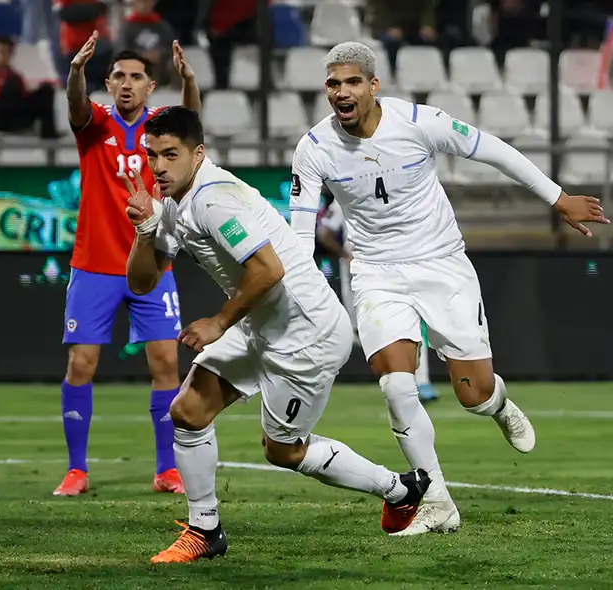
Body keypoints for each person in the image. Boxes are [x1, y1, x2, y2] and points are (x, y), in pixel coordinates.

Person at [289, 41, 608, 536]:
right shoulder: (313, 148)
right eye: (333, 83)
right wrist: (294, 284)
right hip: (376, 273)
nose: (342, 92)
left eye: (353, 81)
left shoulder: (420, 122)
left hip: (442, 266)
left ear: (374, 86)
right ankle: (437, 500)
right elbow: (301, 227)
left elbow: (494, 150)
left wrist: (558, 197)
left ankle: (497, 404)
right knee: (396, 385)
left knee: (473, 394)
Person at [124, 106, 430, 564]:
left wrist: (217, 322)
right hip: (261, 324)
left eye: (170, 154)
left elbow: (269, 269)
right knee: (187, 411)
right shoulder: (171, 201)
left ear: (198, 153)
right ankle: (204, 531)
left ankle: (399, 489)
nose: (160, 166)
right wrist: (145, 231)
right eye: (152, 156)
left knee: (283, 451)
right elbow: (141, 282)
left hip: (305, 334)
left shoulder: (214, 199)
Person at [54, 34, 201, 497]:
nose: (127, 84)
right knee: (82, 362)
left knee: (165, 363)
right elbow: (77, 105)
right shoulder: (95, 125)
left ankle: (166, 469)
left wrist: (190, 82)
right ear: (108, 82)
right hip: (95, 263)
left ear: (150, 86)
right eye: (119, 76)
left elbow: (192, 125)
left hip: (154, 262)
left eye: (136, 77)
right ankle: (76, 469)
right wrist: (75, 73)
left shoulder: (160, 130)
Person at [316, 199, 438, 403]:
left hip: (391, 267)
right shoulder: (342, 198)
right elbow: (324, 232)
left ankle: (420, 382)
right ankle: (316, 378)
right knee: (353, 332)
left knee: (409, 323)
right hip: (360, 273)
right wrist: (344, 255)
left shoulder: (393, 192)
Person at [0, 37, 60, 138]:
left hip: (14, 115)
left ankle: (49, 133)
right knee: (9, 88)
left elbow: (22, 98)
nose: (3, 56)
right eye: (0, 52)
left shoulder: (15, 76)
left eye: (7, 52)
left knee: (46, 90)